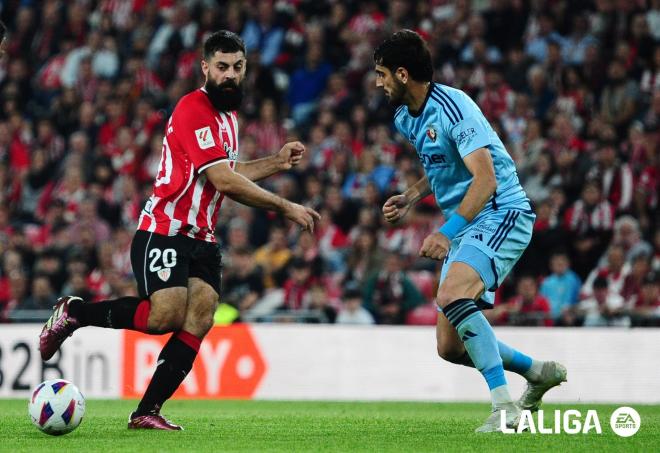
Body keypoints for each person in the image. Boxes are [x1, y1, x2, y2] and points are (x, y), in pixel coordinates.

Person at [38, 31, 320, 430]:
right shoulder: (193, 108)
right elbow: (224, 181)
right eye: (222, 67)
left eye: (237, 67)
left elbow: (226, 173)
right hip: (165, 230)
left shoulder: (229, 119)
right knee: (164, 316)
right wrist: (285, 205)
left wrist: (275, 162)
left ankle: (146, 411)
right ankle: (75, 312)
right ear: (205, 67)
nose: (230, 75)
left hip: (202, 238)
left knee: (200, 317)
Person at [374, 30, 566, 432]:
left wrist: (446, 231)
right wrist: (411, 196)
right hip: (469, 223)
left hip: (501, 212)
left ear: (403, 74)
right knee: (450, 346)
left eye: (382, 74)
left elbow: (485, 180)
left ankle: (505, 408)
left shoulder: (454, 107)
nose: (379, 83)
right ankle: (537, 372)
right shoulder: (406, 116)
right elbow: (440, 163)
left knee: (450, 294)